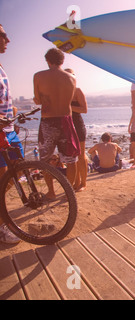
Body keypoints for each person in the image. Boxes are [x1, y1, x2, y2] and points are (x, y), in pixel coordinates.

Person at [33, 48, 80, 199]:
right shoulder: (72, 78)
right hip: (66, 120)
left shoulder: (39, 76)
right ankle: (69, 193)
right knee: (70, 160)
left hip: (48, 121)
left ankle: (51, 192)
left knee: (46, 160)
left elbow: (39, 100)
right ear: (62, 61)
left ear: (48, 60)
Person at [0, 24, 22, 244]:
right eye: (3, 35)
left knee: (13, 174)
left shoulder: (1, 66)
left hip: (8, 129)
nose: (8, 40)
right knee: (2, 177)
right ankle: (1, 227)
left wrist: (15, 114)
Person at [65, 68, 88, 191]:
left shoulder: (78, 91)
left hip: (77, 125)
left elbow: (84, 109)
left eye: (71, 75)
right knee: (71, 156)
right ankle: (76, 182)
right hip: (66, 125)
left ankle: (83, 183)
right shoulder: (61, 92)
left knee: (81, 155)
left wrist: (68, 106)